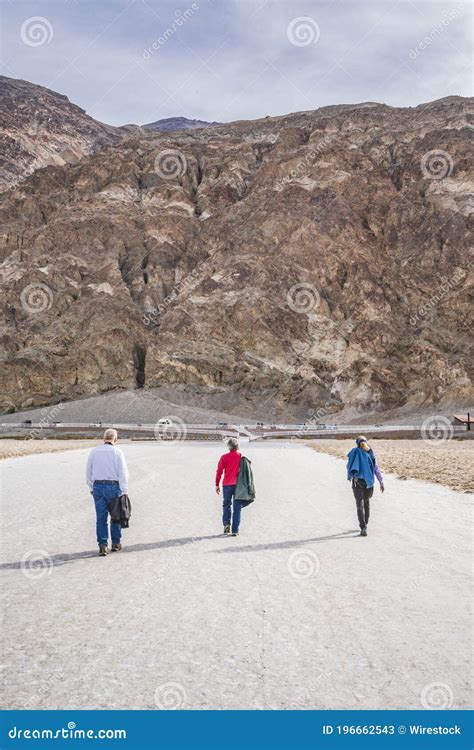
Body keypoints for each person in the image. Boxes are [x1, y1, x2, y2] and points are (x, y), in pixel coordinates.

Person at [86, 428, 129, 556]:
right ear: (115, 439)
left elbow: (88, 471)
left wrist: (91, 488)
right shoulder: (117, 452)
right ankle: (116, 544)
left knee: (101, 518)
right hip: (113, 487)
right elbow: (123, 473)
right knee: (115, 517)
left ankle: (103, 545)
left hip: (98, 486)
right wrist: (124, 489)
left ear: (104, 438)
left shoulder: (94, 452)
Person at [347, 435, 384, 537]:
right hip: (369, 483)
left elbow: (349, 466)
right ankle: (365, 524)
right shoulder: (370, 453)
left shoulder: (354, 452)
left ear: (357, 443)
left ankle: (363, 527)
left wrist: (351, 476)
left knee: (359, 505)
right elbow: (376, 469)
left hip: (357, 482)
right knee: (366, 503)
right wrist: (381, 481)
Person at [215, 438, 242, 536]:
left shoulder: (224, 457)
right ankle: (235, 530)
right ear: (237, 446)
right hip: (238, 486)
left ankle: (226, 526)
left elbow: (219, 471)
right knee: (237, 507)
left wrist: (217, 484)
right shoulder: (241, 457)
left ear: (229, 446)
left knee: (226, 505)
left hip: (226, 485)